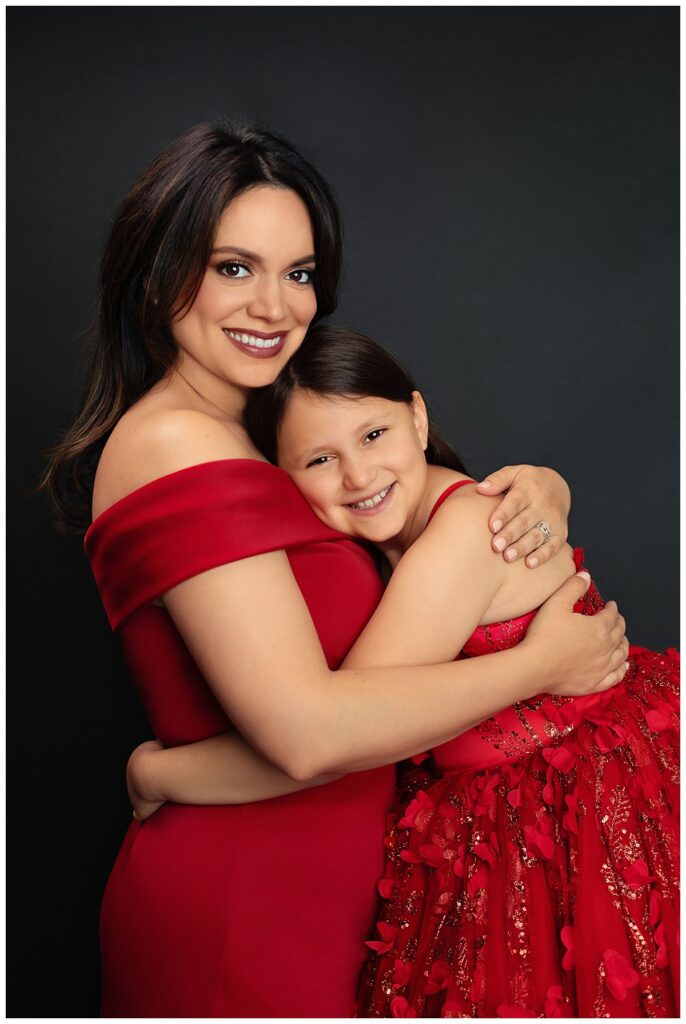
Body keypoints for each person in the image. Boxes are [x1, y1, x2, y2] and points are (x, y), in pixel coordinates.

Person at [42, 122, 628, 1017]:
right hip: (243, 906)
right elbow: (308, 733)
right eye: (234, 267)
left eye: (300, 272)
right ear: (160, 270)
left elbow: (403, 523)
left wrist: (541, 487)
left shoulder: (264, 440)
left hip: (338, 908)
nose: (276, 307)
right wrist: (542, 666)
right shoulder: (178, 441)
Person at [128, 327, 678, 1019]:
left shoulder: (460, 539)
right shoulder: (386, 538)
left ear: (418, 418)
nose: (357, 476)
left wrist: (157, 774)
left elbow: (330, 741)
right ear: (283, 479)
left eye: (374, 434)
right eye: (320, 458)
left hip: (577, 819)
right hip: (498, 827)